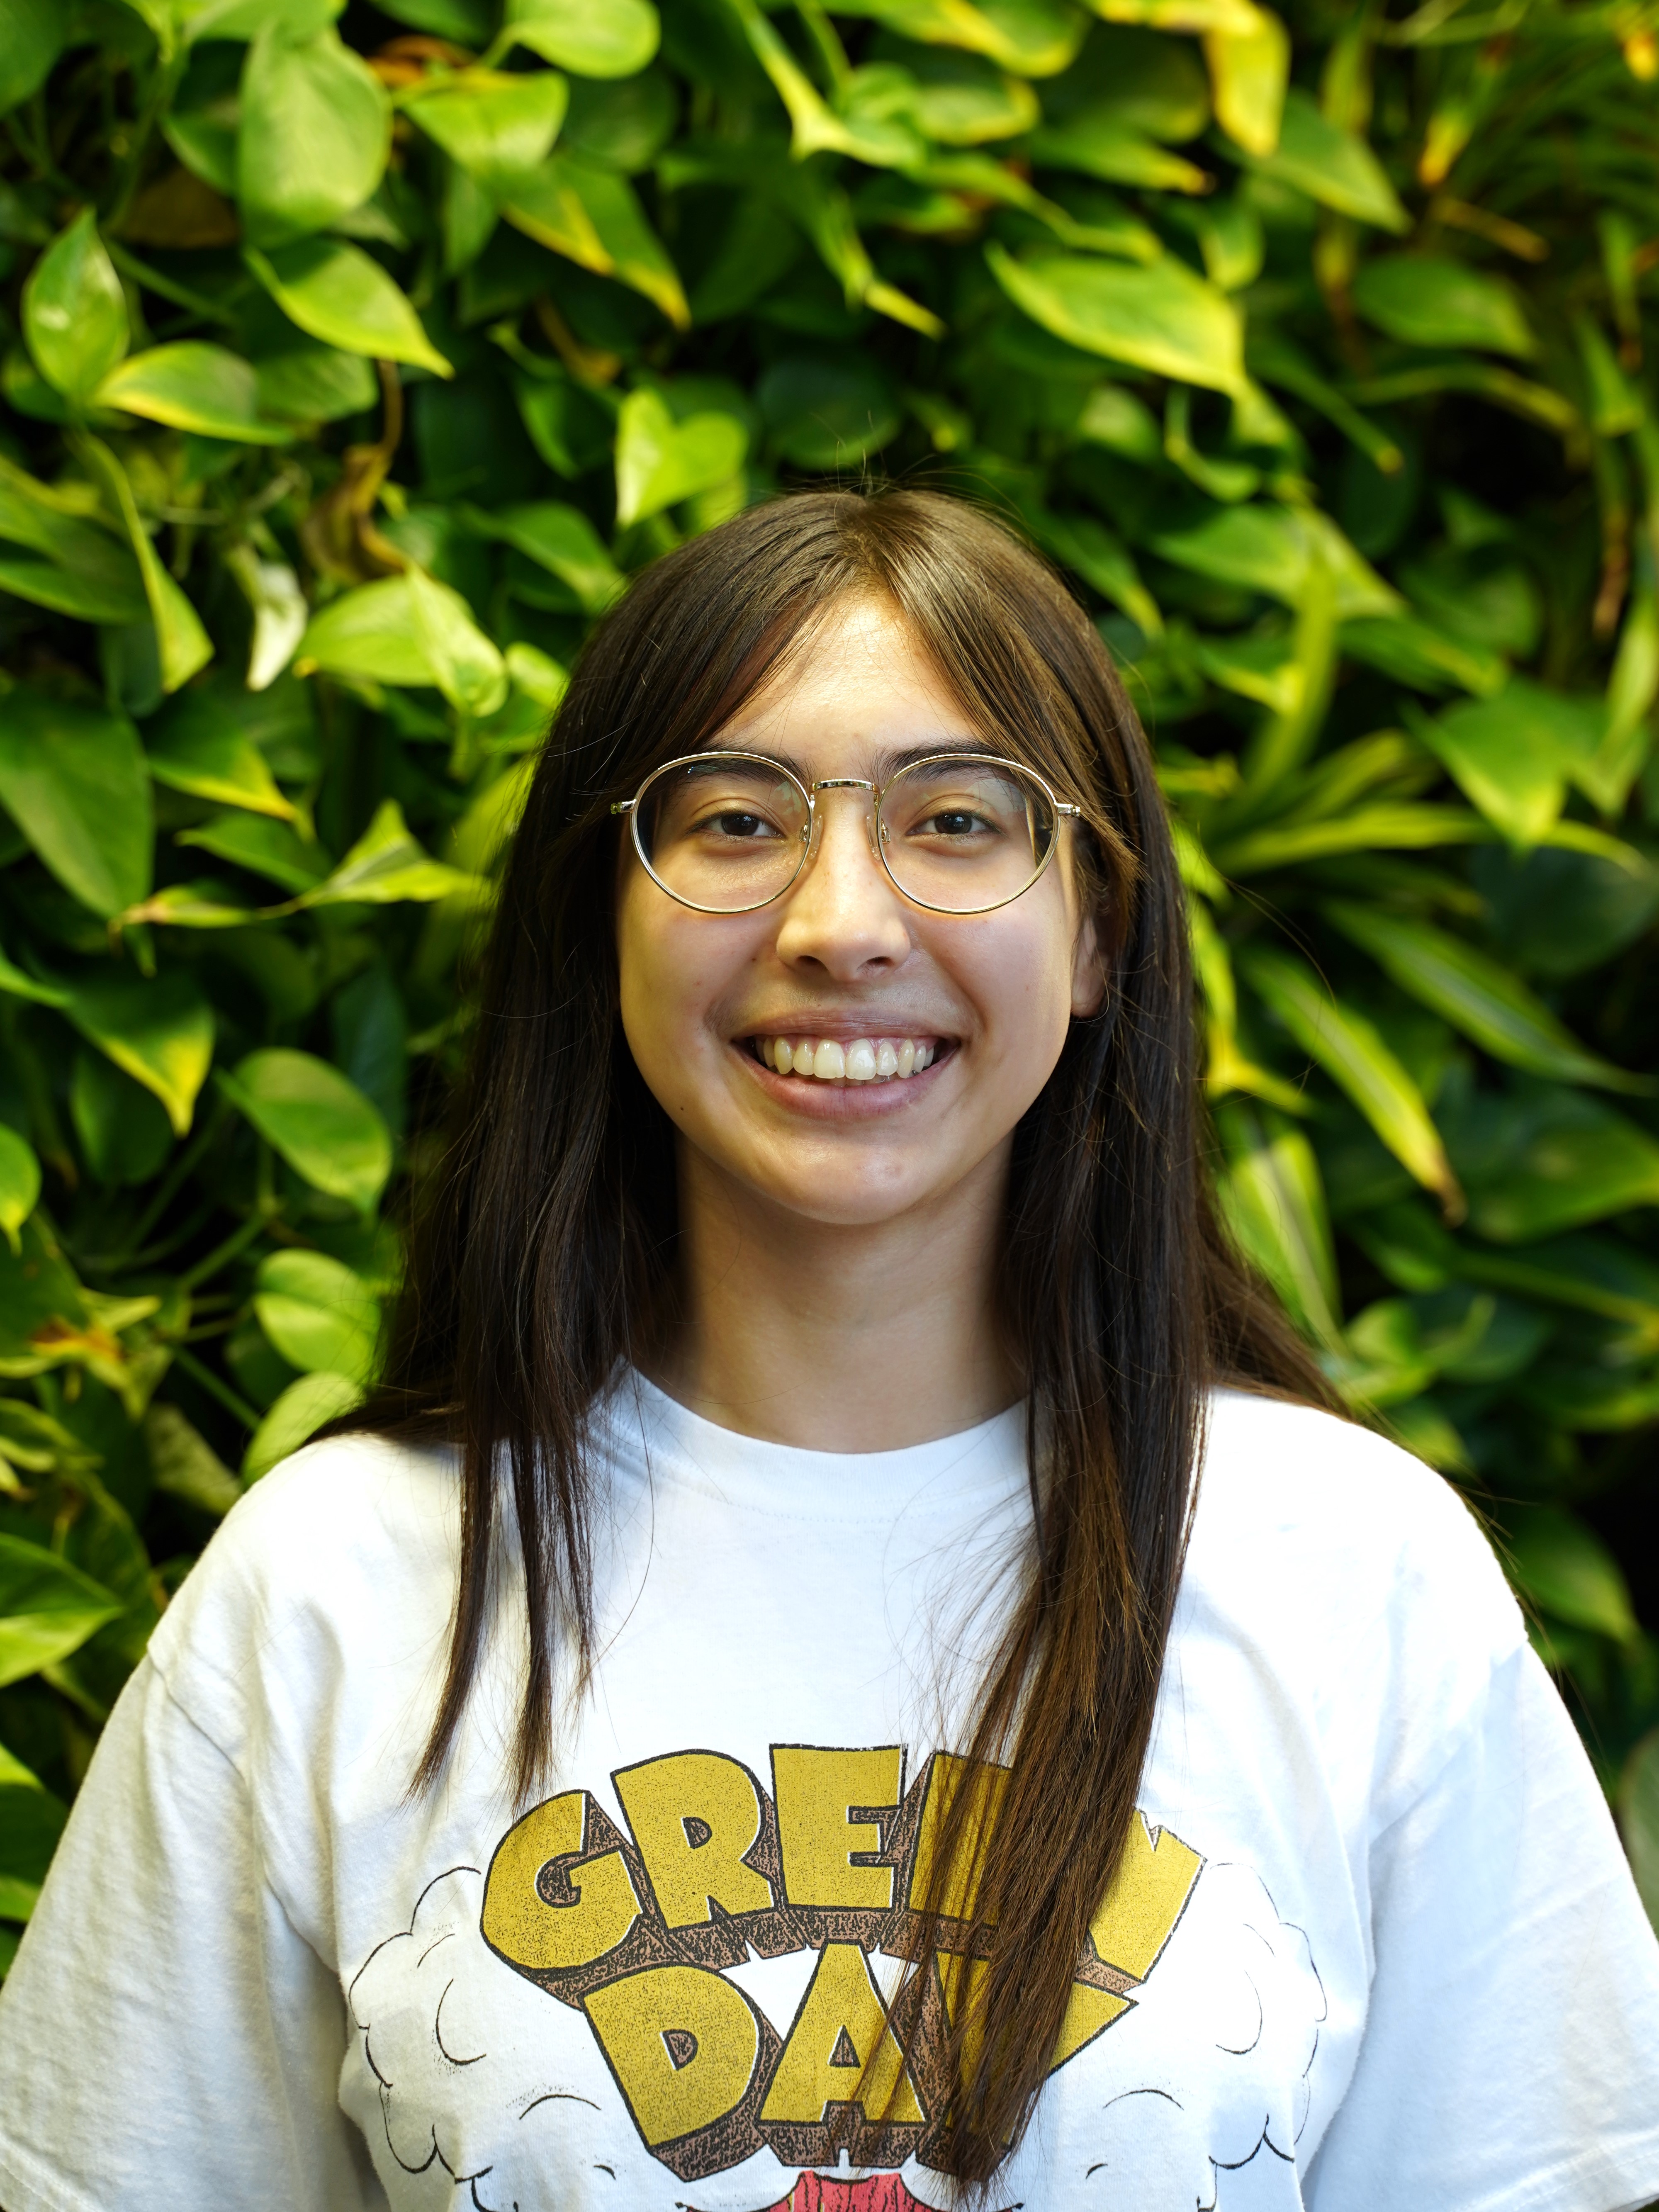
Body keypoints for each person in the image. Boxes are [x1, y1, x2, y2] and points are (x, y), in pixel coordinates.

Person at [2, 489, 1657, 2212]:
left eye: (955, 818)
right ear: (602, 921)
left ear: (1096, 929)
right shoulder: (333, 1590)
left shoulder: (1353, 1575)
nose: (840, 917)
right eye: (732, 820)